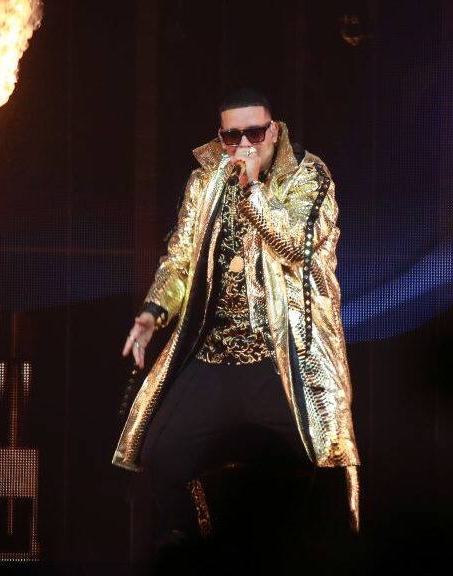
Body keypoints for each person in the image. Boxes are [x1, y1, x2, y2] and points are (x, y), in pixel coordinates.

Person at [115, 88, 360, 544]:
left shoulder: (309, 177)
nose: (245, 145)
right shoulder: (205, 182)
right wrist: (153, 310)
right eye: (233, 136)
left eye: (255, 132)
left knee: (327, 466)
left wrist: (251, 191)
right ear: (221, 136)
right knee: (158, 458)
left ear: (274, 130)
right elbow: (180, 258)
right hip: (216, 358)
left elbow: (295, 248)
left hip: (285, 361)